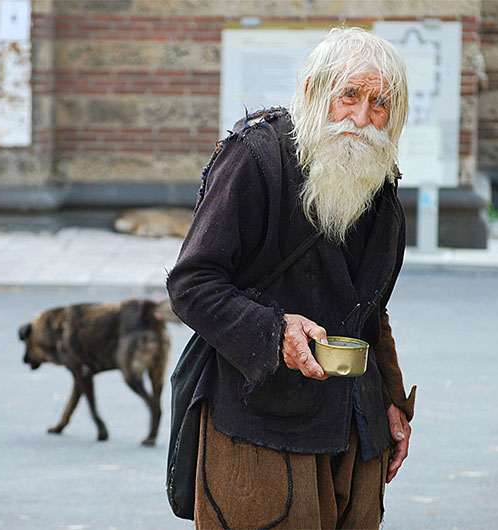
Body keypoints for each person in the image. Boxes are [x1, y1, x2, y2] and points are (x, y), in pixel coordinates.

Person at [167, 27, 417, 529]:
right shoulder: (256, 158)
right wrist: (276, 331)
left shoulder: (379, 179)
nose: (362, 120)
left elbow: (369, 308)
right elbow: (192, 283)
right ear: (312, 91)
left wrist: (391, 401)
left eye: (380, 104)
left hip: (355, 431)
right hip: (260, 431)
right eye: (348, 95)